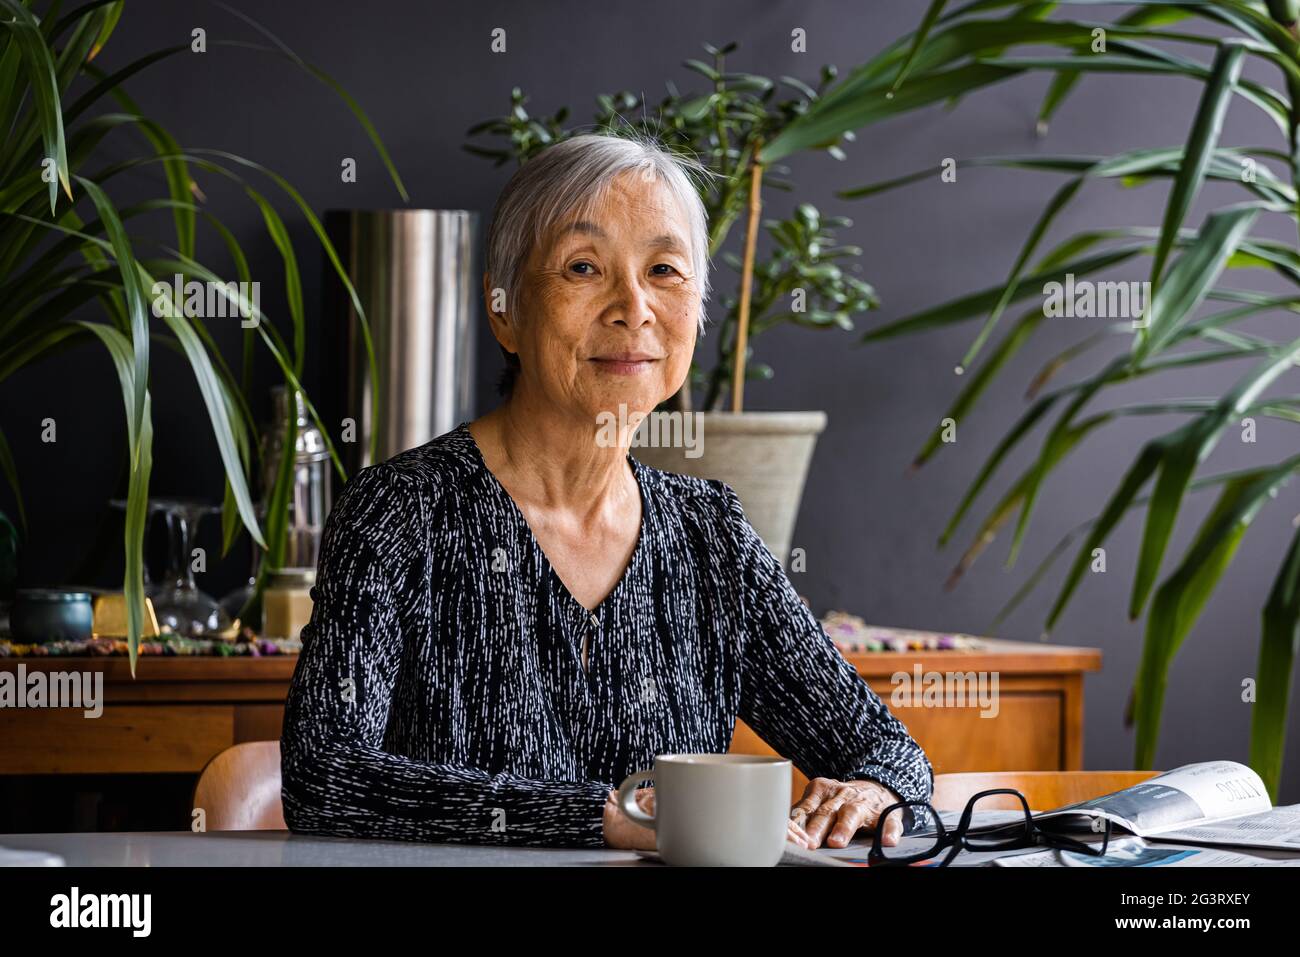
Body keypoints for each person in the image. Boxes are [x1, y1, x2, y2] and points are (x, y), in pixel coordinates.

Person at [280, 131, 934, 851]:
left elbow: (886, 749)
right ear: (505, 312)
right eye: (584, 266)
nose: (633, 306)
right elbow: (324, 777)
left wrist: (872, 789)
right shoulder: (400, 513)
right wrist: (605, 817)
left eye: (664, 269)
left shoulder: (709, 537)